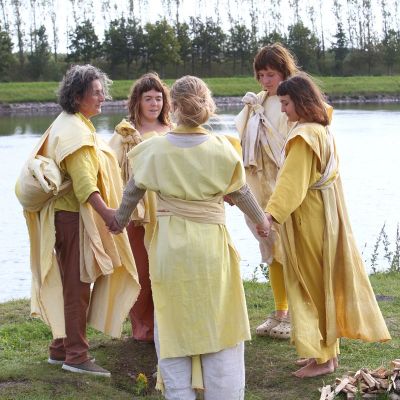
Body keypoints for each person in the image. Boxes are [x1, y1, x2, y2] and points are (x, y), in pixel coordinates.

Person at [109, 75, 269, 399]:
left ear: (174, 107)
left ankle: (179, 393)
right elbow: (242, 193)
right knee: (219, 318)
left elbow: (132, 191)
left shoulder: (153, 149)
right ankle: (223, 391)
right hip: (211, 247)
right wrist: (262, 222)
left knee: (172, 320)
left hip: (170, 248)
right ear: (207, 105)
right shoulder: (222, 149)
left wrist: (118, 221)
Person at [258, 73, 391, 378]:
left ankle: (323, 358)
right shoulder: (321, 129)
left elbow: (291, 184)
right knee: (321, 282)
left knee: (312, 285)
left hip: (309, 219)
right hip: (325, 214)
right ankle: (324, 352)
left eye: (286, 103)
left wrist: (270, 216)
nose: (283, 110)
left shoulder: (304, 137)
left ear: (301, 102)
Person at [15, 64, 140, 377]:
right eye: (96, 92)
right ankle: (77, 356)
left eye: (102, 91)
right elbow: (85, 186)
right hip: (72, 218)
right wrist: (110, 215)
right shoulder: (76, 132)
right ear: (77, 96)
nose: (102, 97)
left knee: (69, 283)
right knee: (77, 286)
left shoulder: (68, 123)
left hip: (63, 217)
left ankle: (60, 348)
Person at [234, 43, 300, 339]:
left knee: (291, 249)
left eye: (270, 74)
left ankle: (296, 313)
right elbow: (240, 142)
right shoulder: (255, 103)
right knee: (270, 248)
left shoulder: (294, 100)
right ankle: (280, 310)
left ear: (284, 72)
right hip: (259, 183)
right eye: (260, 75)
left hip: (284, 182)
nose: (265, 81)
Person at [109, 73, 171, 343]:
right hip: (137, 213)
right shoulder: (125, 134)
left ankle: (166, 324)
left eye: (158, 98)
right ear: (137, 101)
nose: (154, 104)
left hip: (167, 210)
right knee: (141, 271)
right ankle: (143, 327)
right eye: (148, 99)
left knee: (165, 269)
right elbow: (111, 169)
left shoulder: (172, 130)